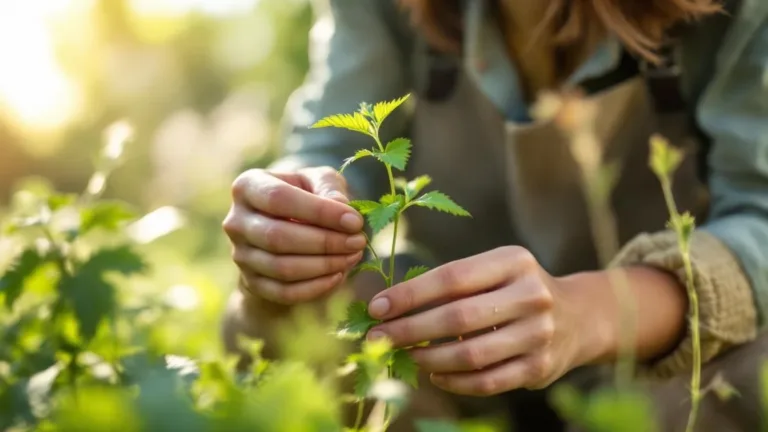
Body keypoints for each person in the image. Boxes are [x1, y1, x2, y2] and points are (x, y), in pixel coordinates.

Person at [220, 0, 768, 430]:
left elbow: (760, 218)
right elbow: (328, 146)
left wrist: (586, 314)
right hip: (451, 368)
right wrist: (290, 218)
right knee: (302, 311)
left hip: (660, 375)